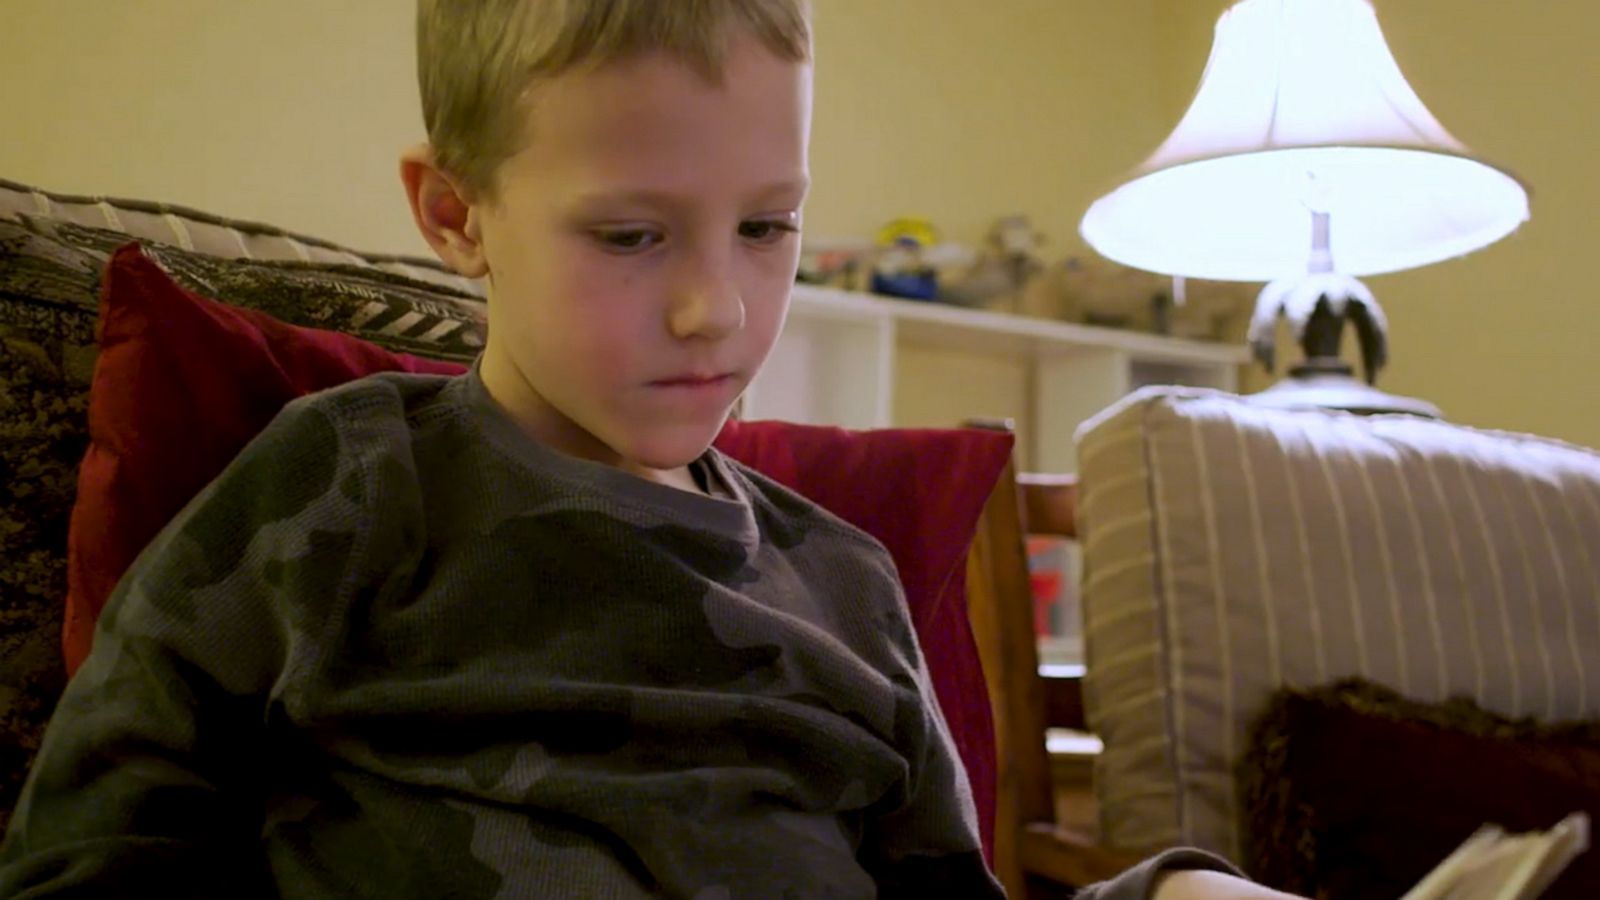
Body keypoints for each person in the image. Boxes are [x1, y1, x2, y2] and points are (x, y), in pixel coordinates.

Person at [0, 2, 1304, 897]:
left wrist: (1171, 883)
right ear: (457, 213)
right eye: (632, 236)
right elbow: (93, 849)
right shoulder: (345, 481)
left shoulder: (846, 585)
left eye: (769, 227)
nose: (717, 308)